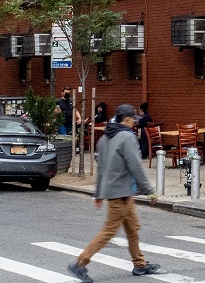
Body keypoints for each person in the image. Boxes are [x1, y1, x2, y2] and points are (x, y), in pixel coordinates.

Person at [66, 104, 161, 282]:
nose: (135, 123)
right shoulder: (127, 137)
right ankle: (80, 263)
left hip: (116, 192)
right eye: (133, 120)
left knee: (133, 228)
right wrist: (150, 190)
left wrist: (99, 194)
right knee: (108, 232)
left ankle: (140, 264)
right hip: (122, 193)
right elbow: (135, 165)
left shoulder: (105, 138)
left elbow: (101, 168)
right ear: (126, 119)